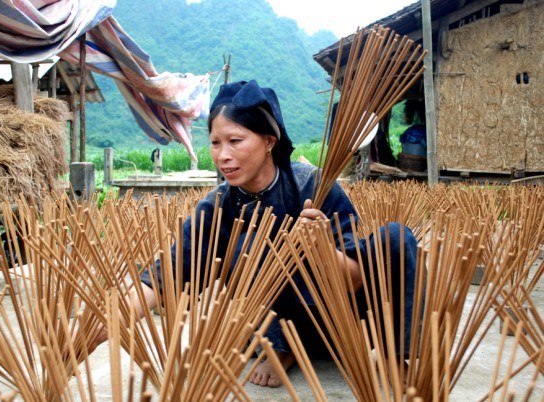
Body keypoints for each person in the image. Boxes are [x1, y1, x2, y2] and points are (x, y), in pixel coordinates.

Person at [94, 80, 419, 388]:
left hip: (344, 324)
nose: (223, 155)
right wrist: (100, 326)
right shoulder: (218, 207)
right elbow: (166, 274)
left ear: (268, 141)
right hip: (272, 326)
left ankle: (397, 355)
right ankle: (282, 344)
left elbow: (354, 281)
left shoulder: (313, 186)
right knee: (254, 234)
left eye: (235, 141)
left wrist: (319, 247)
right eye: (215, 143)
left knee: (396, 236)